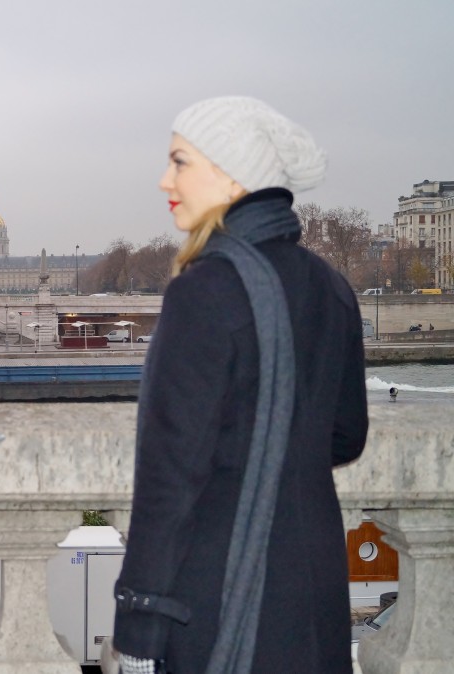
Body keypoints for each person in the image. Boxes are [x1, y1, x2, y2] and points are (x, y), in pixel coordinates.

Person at [112, 97, 368, 674]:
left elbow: (169, 481)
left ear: (232, 175)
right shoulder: (331, 287)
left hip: (222, 597)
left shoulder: (204, 291)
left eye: (179, 162)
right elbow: (347, 436)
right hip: (317, 592)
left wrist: (139, 625)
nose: (164, 180)